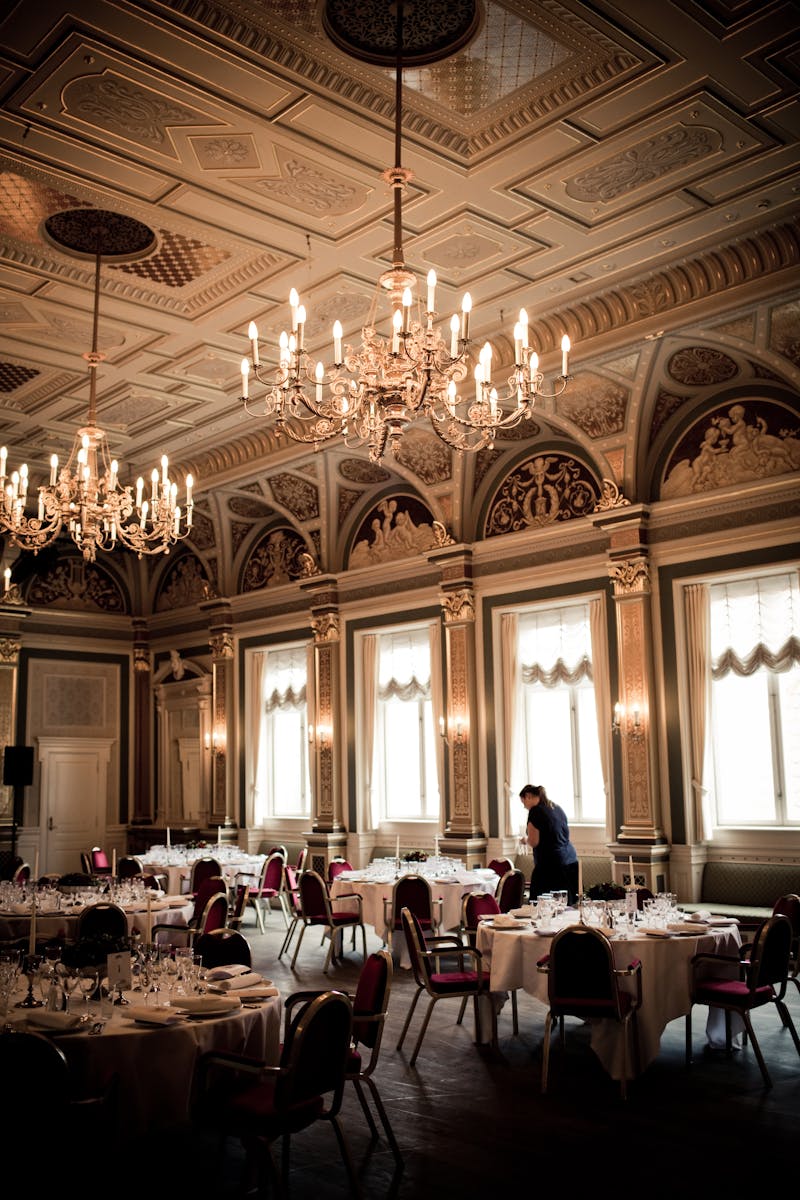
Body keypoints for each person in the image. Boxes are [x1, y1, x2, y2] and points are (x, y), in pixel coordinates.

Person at [519, 783, 579, 903]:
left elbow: (534, 841)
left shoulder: (535, 811)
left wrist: (525, 840)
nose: (524, 807)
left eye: (523, 802)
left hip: (550, 865)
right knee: (567, 904)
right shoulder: (556, 807)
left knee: (543, 906)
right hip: (570, 861)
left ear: (528, 796)